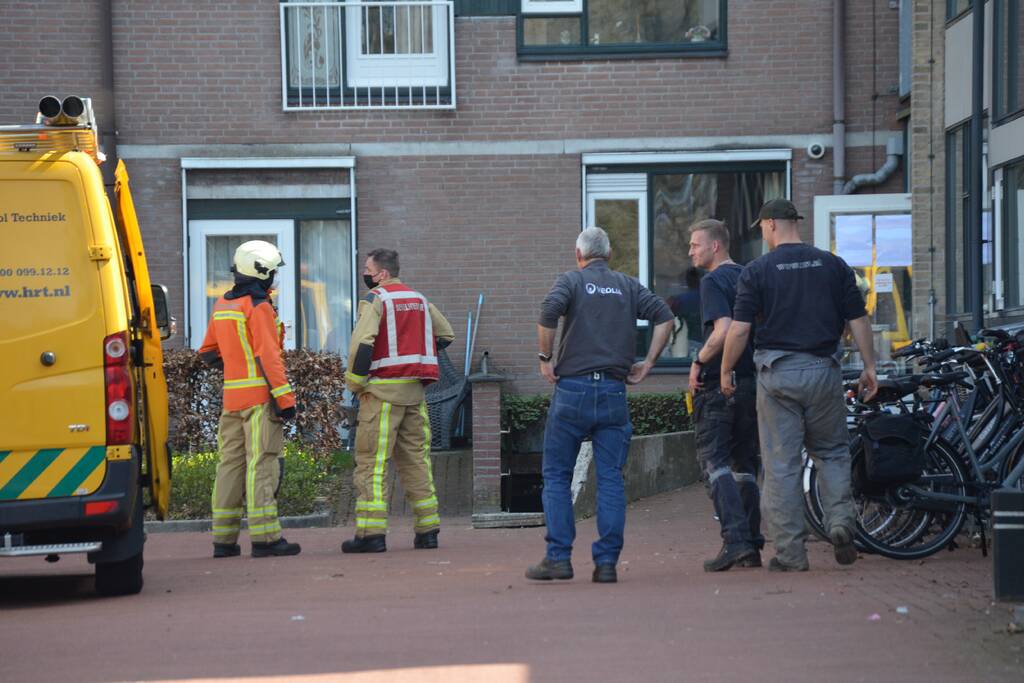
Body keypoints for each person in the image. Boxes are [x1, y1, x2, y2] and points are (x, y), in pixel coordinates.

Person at [720, 199, 878, 572]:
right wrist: (870, 367)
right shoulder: (833, 264)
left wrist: (726, 369)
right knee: (833, 453)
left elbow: (740, 328)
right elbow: (859, 319)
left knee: (781, 465)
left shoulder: (757, 270)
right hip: (824, 371)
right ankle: (840, 522)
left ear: (772, 224)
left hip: (778, 375)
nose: (761, 232)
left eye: (761, 226)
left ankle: (791, 554)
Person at [526, 227, 674, 584]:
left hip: (572, 390)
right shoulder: (626, 285)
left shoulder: (571, 282)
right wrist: (648, 363)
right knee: (610, 479)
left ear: (579, 255)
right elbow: (665, 316)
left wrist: (545, 357)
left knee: (557, 475)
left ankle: (558, 558)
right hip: (613, 391)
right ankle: (606, 563)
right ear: (608, 255)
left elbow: (548, 310)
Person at [341, 248, 455, 553]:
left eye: (367, 269)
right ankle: (428, 530)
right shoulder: (418, 299)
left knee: (372, 464)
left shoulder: (376, 300)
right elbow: (446, 335)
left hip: (381, 395)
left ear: (382, 274)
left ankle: (371, 534)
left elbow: (362, 345)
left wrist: (355, 382)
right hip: (415, 396)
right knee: (417, 461)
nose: (365, 274)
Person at [199, 240, 301, 558]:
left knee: (230, 465)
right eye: (273, 273)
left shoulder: (223, 305)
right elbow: (269, 357)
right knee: (262, 463)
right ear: (263, 273)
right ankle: (266, 538)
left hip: (232, 399)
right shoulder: (259, 307)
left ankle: (224, 541)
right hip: (260, 399)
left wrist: (235, 368)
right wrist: (285, 401)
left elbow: (207, 353)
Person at [686, 219, 764, 572]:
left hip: (720, 385)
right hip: (752, 382)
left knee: (714, 463)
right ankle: (752, 541)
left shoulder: (713, 281)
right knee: (745, 465)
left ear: (715, 246)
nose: (691, 251)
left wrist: (698, 360)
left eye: (695, 245)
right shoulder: (749, 276)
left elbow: (724, 330)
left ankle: (735, 541)